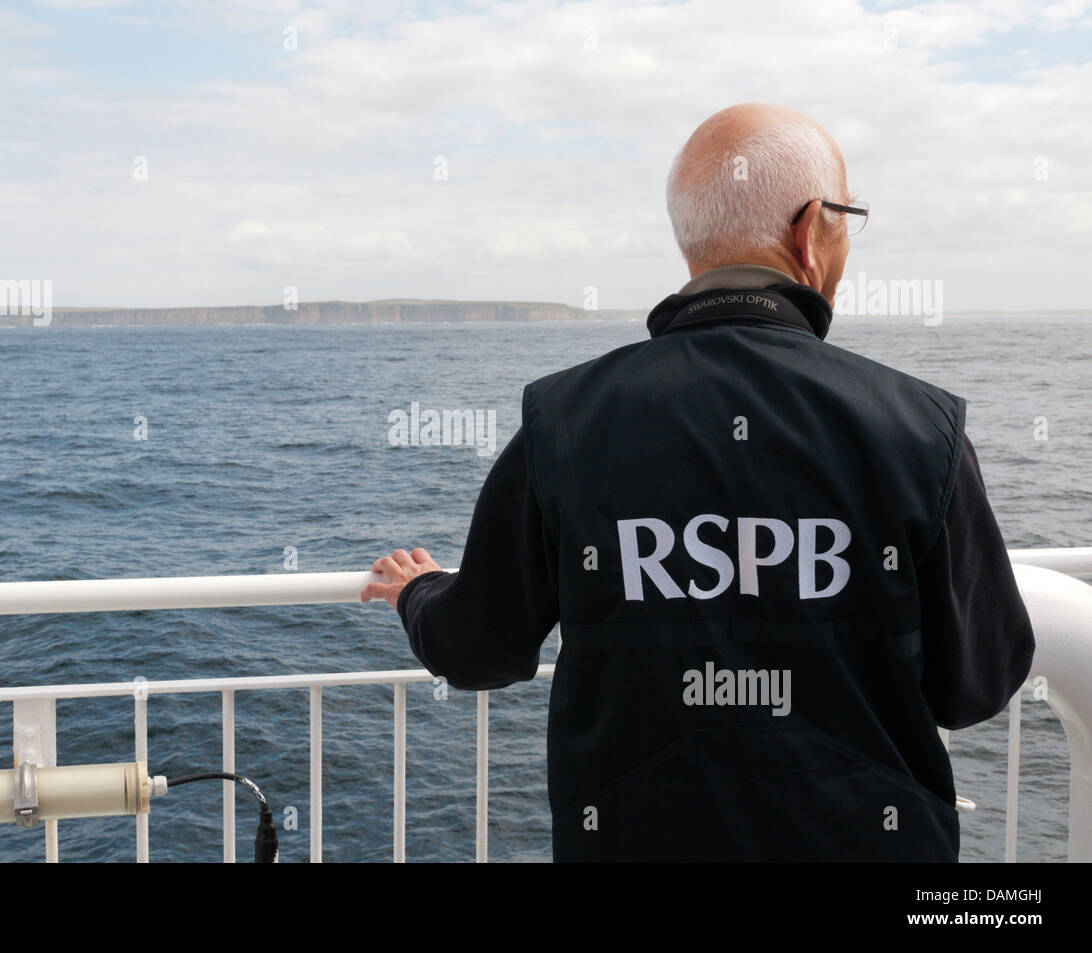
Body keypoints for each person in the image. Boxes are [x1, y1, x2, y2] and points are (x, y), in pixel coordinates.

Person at [360, 103, 1035, 862]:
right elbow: (979, 682)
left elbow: (478, 646)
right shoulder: (919, 426)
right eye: (848, 216)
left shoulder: (566, 421)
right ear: (811, 229)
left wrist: (417, 590)